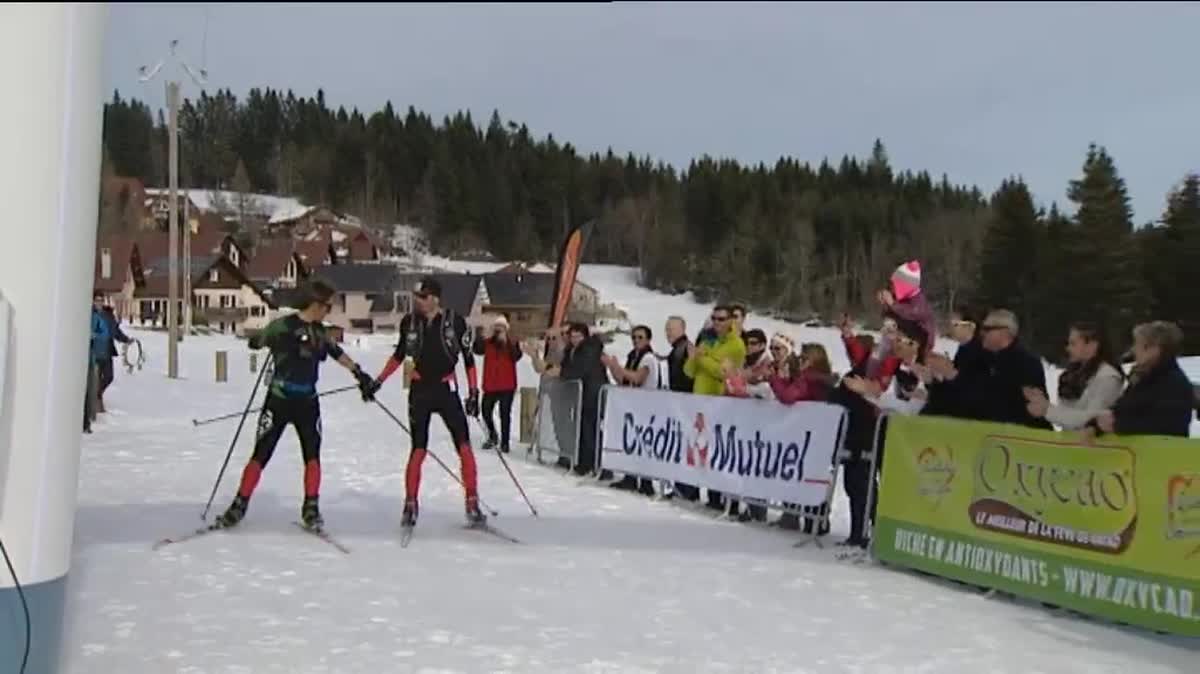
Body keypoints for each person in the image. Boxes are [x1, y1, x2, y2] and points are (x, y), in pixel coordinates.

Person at [216, 280, 376, 531]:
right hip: (279, 400)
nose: (328, 311)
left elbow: (336, 353)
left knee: (312, 455)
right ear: (315, 304)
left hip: (307, 403)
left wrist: (359, 373)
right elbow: (255, 341)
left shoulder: (320, 332)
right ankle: (240, 503)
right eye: (326, 306)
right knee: (262, 452)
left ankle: (311, 507)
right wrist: (267, 341)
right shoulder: (283, 326)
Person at [363, 277, 485, 528]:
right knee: (418, 448)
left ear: (436, 299)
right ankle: (410, 503)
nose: (419, 301)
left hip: (445, 387)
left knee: (463, 446)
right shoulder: (409, 322)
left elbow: (469, 360)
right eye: (417, 297)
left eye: (424, 297)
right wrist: (378, 381)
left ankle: (472, 501)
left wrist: (474, 393)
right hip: (420, 389)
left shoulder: (454, 321)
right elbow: (399, 356)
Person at [684, 304, 746, 512]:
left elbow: (722, 372)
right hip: (699, 400)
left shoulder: (736, 345)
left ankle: (719, 497)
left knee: (716, 450)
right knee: (699, 446)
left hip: (719, 400)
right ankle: (699, 491)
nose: (717, 323)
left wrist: (702, 358)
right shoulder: (708, 339)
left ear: (730, 321)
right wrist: (696, 358)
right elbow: (689, 371)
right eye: (714, 318)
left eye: (721, 319)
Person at [769, 339, 835, 531]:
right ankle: (801, 516)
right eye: (800, 356)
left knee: (811, 477)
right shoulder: (809, 377)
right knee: (798, 474)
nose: (801, 360)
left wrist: (775, 379)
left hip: (812, 436)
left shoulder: (811, 379)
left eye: (805, 357)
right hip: (804, 435)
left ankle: (814, 520)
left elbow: (789, 396)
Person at [1088, 321, 1194, 438]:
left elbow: (1167, 426)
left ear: (1154, 349)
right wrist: (1097, 424)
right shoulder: (1141, 379)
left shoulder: (1174, 384)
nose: (1133, 350)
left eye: (1138, 344)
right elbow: (1123, 409)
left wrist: (1118, 425)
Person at [954, 309, 1052, 429]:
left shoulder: (1027, 364)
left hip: (1011, 435)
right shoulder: (974, 355)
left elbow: (1034, 410)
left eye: (987, 329)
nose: (981, 333)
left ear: (1005, 332)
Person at [1023, 322, 1125, 430]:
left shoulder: (1108, 378)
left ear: (1092, 346)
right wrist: (1042, 403)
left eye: (1073, 344)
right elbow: (1066, 418)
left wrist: (1047, 410)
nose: (1068, 348)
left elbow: (1092, 420)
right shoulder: (1071, 376)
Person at [603, 325, 660, 496]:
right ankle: (631, 476)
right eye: (634, 337)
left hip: (646, 406)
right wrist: (613, 368)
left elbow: (638, 378)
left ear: (648, 340)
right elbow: (623, 379)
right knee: (632, 441)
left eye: (640, 337)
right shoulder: (633, 356)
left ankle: (646, 481)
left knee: (644, 443)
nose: (636, 340)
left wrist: (619, 368)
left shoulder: (648, 358)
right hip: (633, 405)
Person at [559, 323, 609, 476]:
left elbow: (579, 369)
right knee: (583, 428)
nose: (575, 340)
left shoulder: (589, 349)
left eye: (578, 337)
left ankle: (596, 463)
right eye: (572, 337)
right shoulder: (572, 350)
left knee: (592, 429)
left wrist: (562, 373)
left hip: (593, 392)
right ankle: (584, 461)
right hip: (582, 394)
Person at [920, 305, 984, 419]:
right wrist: (932, 379)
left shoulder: (980, 353)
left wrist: (949, 374)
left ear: (970, 326)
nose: (951, 328)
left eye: (955, 324)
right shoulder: (962, 350)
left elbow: (972, 393)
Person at [473, 314, 522, 453]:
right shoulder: (488, 342)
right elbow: (477, 350)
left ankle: (505, 442)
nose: (499, 330)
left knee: (504, 413)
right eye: (497, 327)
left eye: (501, 327)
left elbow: (516, 356)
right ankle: (493, 435)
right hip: (491, 384)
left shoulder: (512, 341)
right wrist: (479, 335)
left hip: (507, 384)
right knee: (486, 410)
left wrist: (508, 341)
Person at [663, 316, 698, 501]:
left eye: (671, 328)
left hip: (687, 403)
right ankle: (681, 486)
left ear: (682, 329)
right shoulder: (677, 349)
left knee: (688, 446)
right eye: (666, 328)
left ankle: (687, 489)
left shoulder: (685, 347)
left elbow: (690, 375)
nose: (667, 332)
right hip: (680, 402)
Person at [96, 300, 132, 413]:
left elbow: (115, 331)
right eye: (97, 300)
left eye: (101, 300)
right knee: (95, 378)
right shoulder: (90, 313)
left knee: (108, 376)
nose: (99, 302)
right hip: (94, 352)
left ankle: (97, 394)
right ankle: (95, 401)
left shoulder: (108, 315)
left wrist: (126, 339)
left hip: (106, 351)